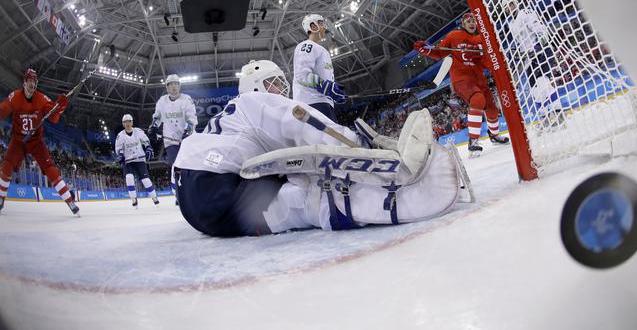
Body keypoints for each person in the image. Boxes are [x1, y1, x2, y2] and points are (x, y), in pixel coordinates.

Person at [173, 59, 461, 237]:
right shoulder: (252, 102)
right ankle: (410, 197)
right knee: (310, 195)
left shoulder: (233, 118)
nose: (280, 91)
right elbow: (301, 124)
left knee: (288, 202)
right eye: (273, 83)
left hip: (200, 208)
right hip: (215, 185)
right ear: (255, 86)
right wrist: (360, 145)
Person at [413, 12, 510, 157]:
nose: (471, 23)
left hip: (479, 80)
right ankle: (473, 141)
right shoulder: (454, 36)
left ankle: (494, 135)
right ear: (463, 24)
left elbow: (486, 62)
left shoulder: (480, 40)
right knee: (478, 100)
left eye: (473, 21)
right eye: (468, 21)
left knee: (491, 108)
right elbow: (439, 53)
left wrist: (498, 64)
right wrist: (426, 50)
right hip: (462, 79)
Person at [0, 69, 79, 215]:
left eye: (34, 81)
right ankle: (1, 198)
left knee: (50, 168)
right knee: (6, 166)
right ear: (24, 83)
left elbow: (54, 118)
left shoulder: (42, 98)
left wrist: (60, 107)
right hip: (18, 141)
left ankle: (70, 201)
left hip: (36, 141)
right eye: (29, 80)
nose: (32, 83)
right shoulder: (15, 97)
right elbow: (3, 110)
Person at [501, 0, 563, 127]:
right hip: (530, 57)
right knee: (534, 89)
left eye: (510, 4)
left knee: (542, 82)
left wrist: (539, 46)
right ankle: (544, 116)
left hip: (542, 51)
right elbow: (520, 43)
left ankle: (558, 113)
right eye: (506, 7)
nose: (509, 8)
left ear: (516, 3)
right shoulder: (510, 23)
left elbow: (541, 31)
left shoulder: (526, 13)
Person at [148, 74, 197, 204]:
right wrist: (153, 127)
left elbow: (191, 118)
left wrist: (187, 131)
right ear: (167, 87)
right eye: (171, 84)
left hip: (187, 139)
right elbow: (157, 116)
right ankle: (178, 195)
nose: (174, 86)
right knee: (176, 166)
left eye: (176, 84)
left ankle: (192, 191)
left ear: (179, 86)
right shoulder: (162, 101)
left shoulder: (186, 99)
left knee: (189, 166)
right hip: (171, 140)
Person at [292, 14, 347, 122]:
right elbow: (302, 75)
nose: (324, 27)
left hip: (324, 103)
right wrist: (325, 86)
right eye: (321, 24)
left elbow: (326, 80)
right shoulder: (306, 45)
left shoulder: (323, 51)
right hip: (311, 103)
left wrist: (334, 91)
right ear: (313, 26)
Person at [115, 114, 159, 208]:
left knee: (146, 180)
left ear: (132, 122)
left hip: (139, 159)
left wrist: (148, 148)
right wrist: (120, 155)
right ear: (123, 124)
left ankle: (154, 198)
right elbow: (118, 149)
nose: (127, 123)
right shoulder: (120, 136)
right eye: (125, 122)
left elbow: (146, 142)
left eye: (129, 121)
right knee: (129, 178)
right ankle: (134, 200)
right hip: (128, 161)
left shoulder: (138, 131)